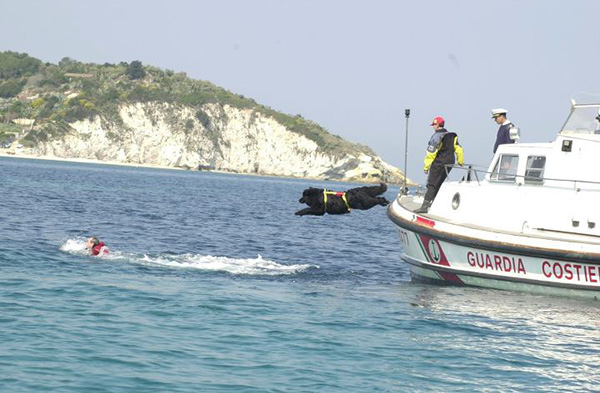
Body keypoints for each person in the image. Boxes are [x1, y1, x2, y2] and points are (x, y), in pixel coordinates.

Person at [415, 116, 464, 214]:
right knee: (439, 183)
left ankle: (425, 207)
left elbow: (431, 153)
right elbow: (459, 149)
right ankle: (435, 205)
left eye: (433, 125)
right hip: (450, 162)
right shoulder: (452, 135)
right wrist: (461, 161)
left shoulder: (436, 136)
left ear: (437, 125)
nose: (433, 127)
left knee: (432, 183)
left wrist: (426, 167)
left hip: (439, 162)